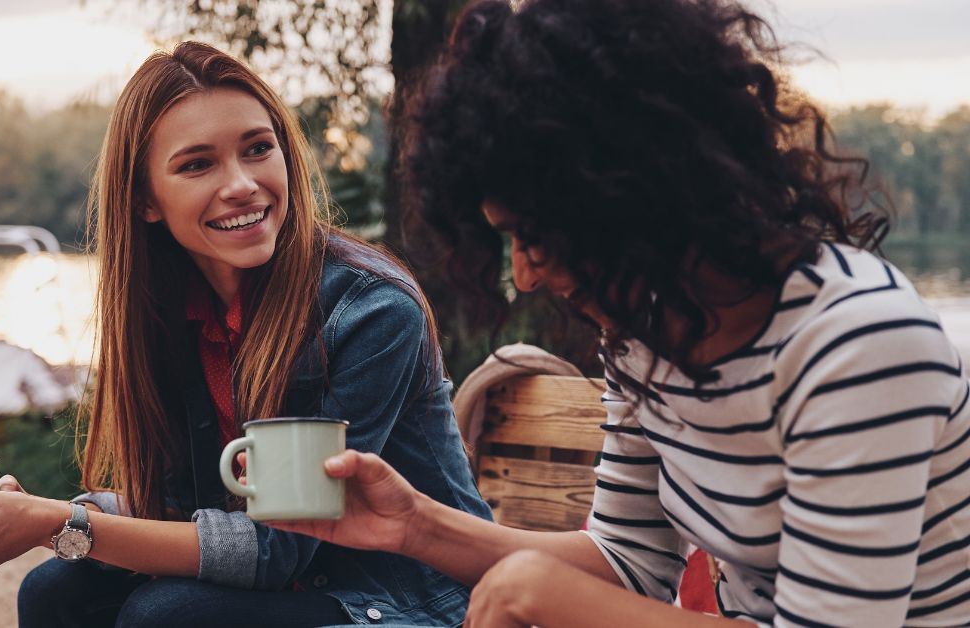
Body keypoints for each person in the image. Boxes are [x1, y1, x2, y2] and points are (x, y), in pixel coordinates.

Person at [269, 0, 970, 626]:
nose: (524, 274)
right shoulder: (648, 336)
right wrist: (415, 525)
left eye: (536, 237)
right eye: (508, 241)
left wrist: (538, 591)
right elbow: (628, 560)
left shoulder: (858, 346)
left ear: (636, 195)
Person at [0, 41, 491, 628]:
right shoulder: (173, 311)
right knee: (55, 592)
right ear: (145, 200)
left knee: (171, 616)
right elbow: (180, 513)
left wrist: (55, 523)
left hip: (413, 599)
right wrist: (28, 513)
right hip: (300, 585)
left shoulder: (371, 310)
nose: (241, 184)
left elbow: (277, 548)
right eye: (197, 164)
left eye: (258, 149)